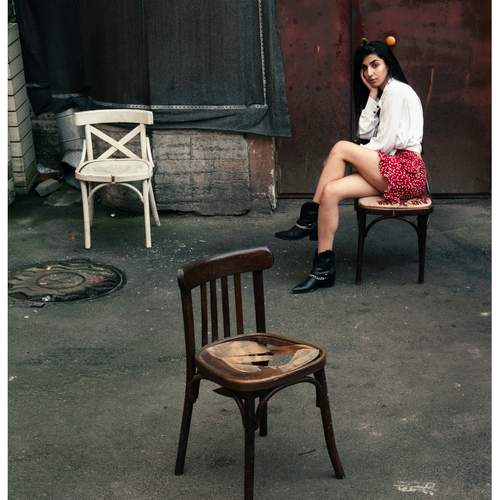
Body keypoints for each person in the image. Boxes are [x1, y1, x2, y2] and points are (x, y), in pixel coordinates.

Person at [275, 40, 428, 293]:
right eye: (365, 68)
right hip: (389, 170)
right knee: (331, 191)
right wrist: (372, 95)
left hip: (406, 170)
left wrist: (350, 156)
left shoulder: (397, 92)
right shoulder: (384, 93)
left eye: (375, 65)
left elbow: (384, 144)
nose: (370, 73)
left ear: (388, 64)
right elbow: (364, 132)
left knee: (341, 149)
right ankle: (323, 269)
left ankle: (309, 218)